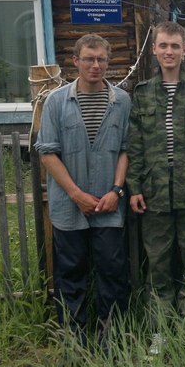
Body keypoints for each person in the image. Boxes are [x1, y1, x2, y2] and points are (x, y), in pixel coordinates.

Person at [126, 21, 185, 354]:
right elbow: (134, 145)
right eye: (163, 45)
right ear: (154, 49)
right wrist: (134, 187)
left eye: (175, 46)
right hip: (154, 195)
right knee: (159, 265)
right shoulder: (142, 94)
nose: (169, 52)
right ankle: (160, 332)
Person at [34, 33, 131, 350]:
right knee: (71, 275)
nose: (95, 65)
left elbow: (125, 150)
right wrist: (76, 194)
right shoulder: (56, 102)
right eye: (89, 58)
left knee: (112, 274)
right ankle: (73, 344)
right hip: (69, 207)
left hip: (109, 206)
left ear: (108, 61)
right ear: (75, 61)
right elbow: (47, 152)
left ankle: (111, 342)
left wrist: (116, 190)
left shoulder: (121, 101)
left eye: (101, 59)